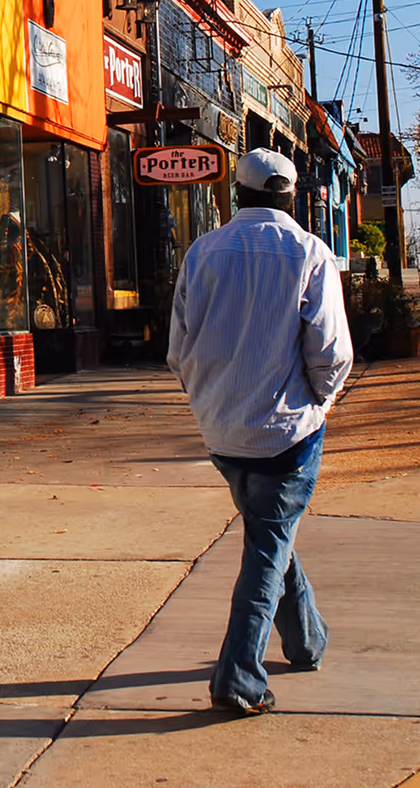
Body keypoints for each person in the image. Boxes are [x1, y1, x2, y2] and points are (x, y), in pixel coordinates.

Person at [168, 148, 353, 716]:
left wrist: (210, 401)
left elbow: (178, 349)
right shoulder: (309, 253)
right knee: (269, 548)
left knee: (271, 535)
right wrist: (316, 401)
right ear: (290, 198)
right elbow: (332, 352)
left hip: (222, 434)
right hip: (287, 434)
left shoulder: (203, 252)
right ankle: (239, 676)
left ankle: (305, 642)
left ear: (237, 196)